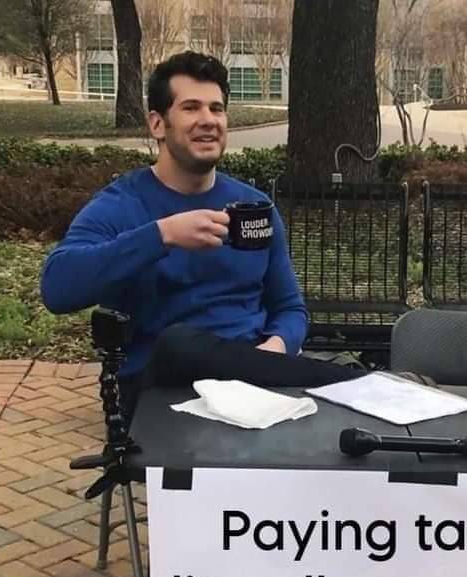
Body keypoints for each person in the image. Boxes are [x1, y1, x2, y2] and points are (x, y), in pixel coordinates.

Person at [40, 51, 361, 420]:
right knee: (179, 343)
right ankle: (359, 383)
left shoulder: (254, 208)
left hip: (253, 385)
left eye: (216, 109)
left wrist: (275, 350)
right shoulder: (121, 206)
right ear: (158, 124)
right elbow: (58, 288)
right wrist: (162, 234)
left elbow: (289, 308)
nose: (208, 120)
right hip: (161, 393)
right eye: (191, 108)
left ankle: (370, 390)